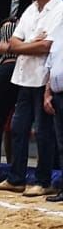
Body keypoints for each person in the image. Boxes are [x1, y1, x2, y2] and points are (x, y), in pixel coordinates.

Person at [0, 0, 63, 195]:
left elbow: (47, 46)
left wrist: (20, 47)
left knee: (44, 132)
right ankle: (16, 177)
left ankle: (43, 180)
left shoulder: (59, 10)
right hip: (23, 77)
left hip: (43, 78)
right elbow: (11, 40)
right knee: (18, 129)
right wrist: (28, 44)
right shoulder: (31, 9)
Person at [43, 18, 63, 201]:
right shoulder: (57, 29)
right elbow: (51, 64)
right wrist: (48, 92)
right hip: (57, 93)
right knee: (62, 144)